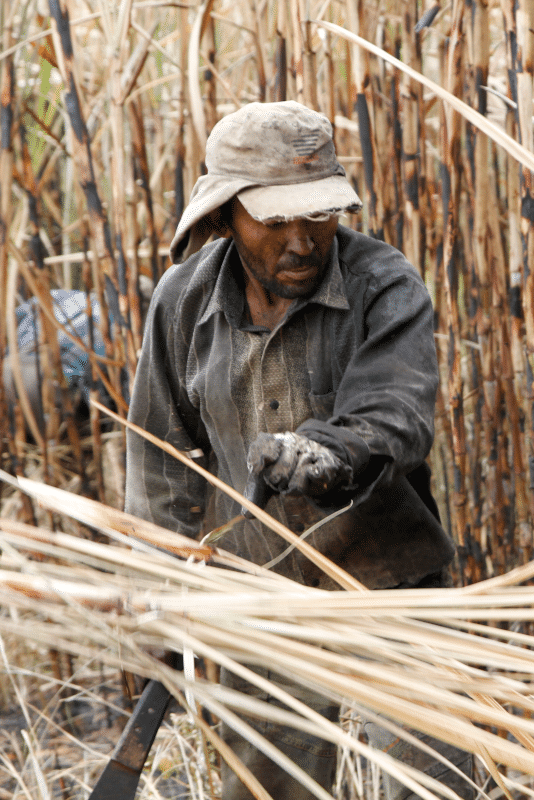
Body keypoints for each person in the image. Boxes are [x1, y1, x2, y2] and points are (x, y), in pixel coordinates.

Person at [125, 101, 471, 800]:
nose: (302, 242)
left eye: (317, 216)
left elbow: (395, 415)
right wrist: (160, 589)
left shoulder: (384, 283)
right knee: (268, 790)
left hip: (384, 585)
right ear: (225, 218)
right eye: (275, 221)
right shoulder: (182, 303)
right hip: (258, 598)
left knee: (436, 784)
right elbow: (162, 462)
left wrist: (325, 454)